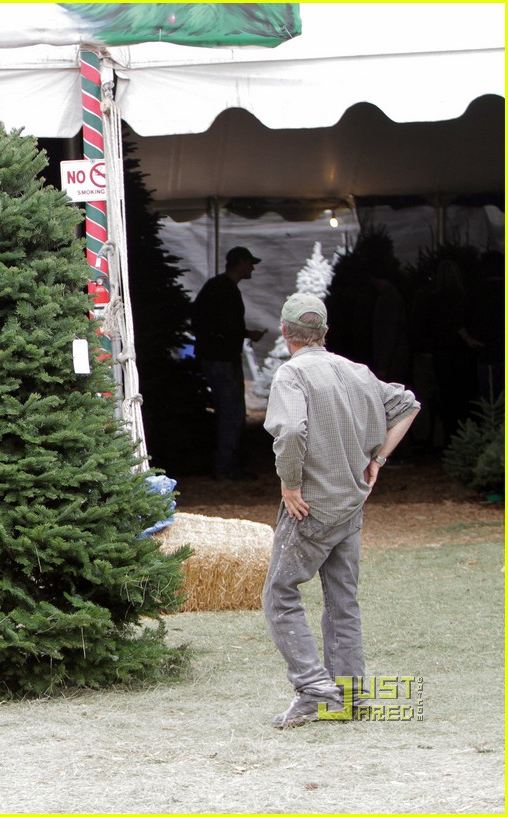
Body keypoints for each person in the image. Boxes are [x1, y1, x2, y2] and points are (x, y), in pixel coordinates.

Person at [262, 293, 419, 729]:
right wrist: (378, 459)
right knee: (342, 601)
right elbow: (408, 405)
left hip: (310, 507)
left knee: (278, 595)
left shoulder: (291, 374)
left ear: (284, 331)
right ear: (324, 332)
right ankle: (351, 696)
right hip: (351, 505)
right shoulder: (357, 371)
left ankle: (314, 691)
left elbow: (291, 431)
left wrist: (290, 484)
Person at [191, 246, 267, 479]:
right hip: (221, 358)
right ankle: (226, 467)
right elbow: (224, 325)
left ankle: (228, 464)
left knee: (230, 411)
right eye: (250, 263)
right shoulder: (224, 289)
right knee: (231, 412)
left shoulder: (218, 287)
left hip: (219, 356)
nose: (252, 268)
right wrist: (246, 333)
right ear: (240, 262)